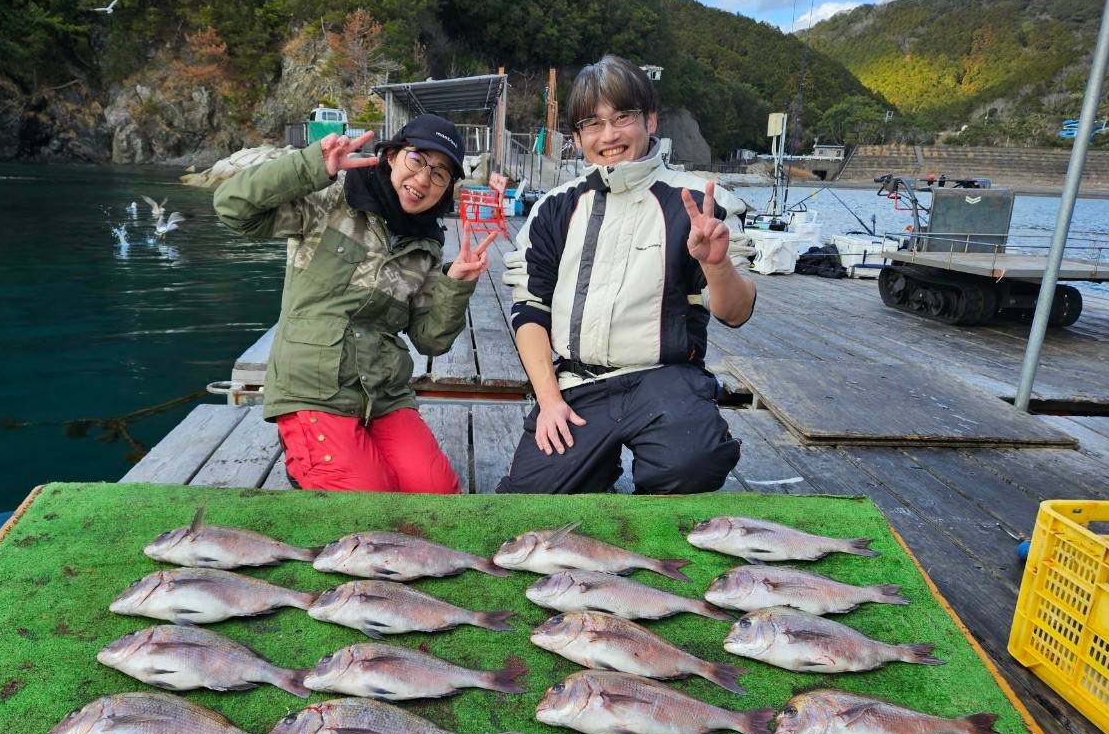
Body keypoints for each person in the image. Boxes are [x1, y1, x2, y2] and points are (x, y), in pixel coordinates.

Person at [495, 55, 757, 495]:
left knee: (691, 462)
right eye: (593, 125)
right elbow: (530, 310)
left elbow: (736, 312)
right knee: (532, 501)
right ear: (577, 138)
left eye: (622, 118)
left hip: (666, 378)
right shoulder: (554, 208)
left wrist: (717, 264)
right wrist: (549, 399)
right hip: (578, 382)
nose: (609, 135)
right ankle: (591, 473)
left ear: (650, 120)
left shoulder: (699, 202)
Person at [214, 114, 499, 492]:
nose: (423, 180)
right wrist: (311, 165)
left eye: (440, 174)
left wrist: (455, 283)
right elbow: (233, 207)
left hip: (383, 393)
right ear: (393, 155)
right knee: (368, 498)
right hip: (314, 384)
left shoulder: (427, 243)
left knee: (437, 493)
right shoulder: (332, 197)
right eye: (417, 159)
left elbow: (431, 340)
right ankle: (304, 459)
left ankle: (347, 452)